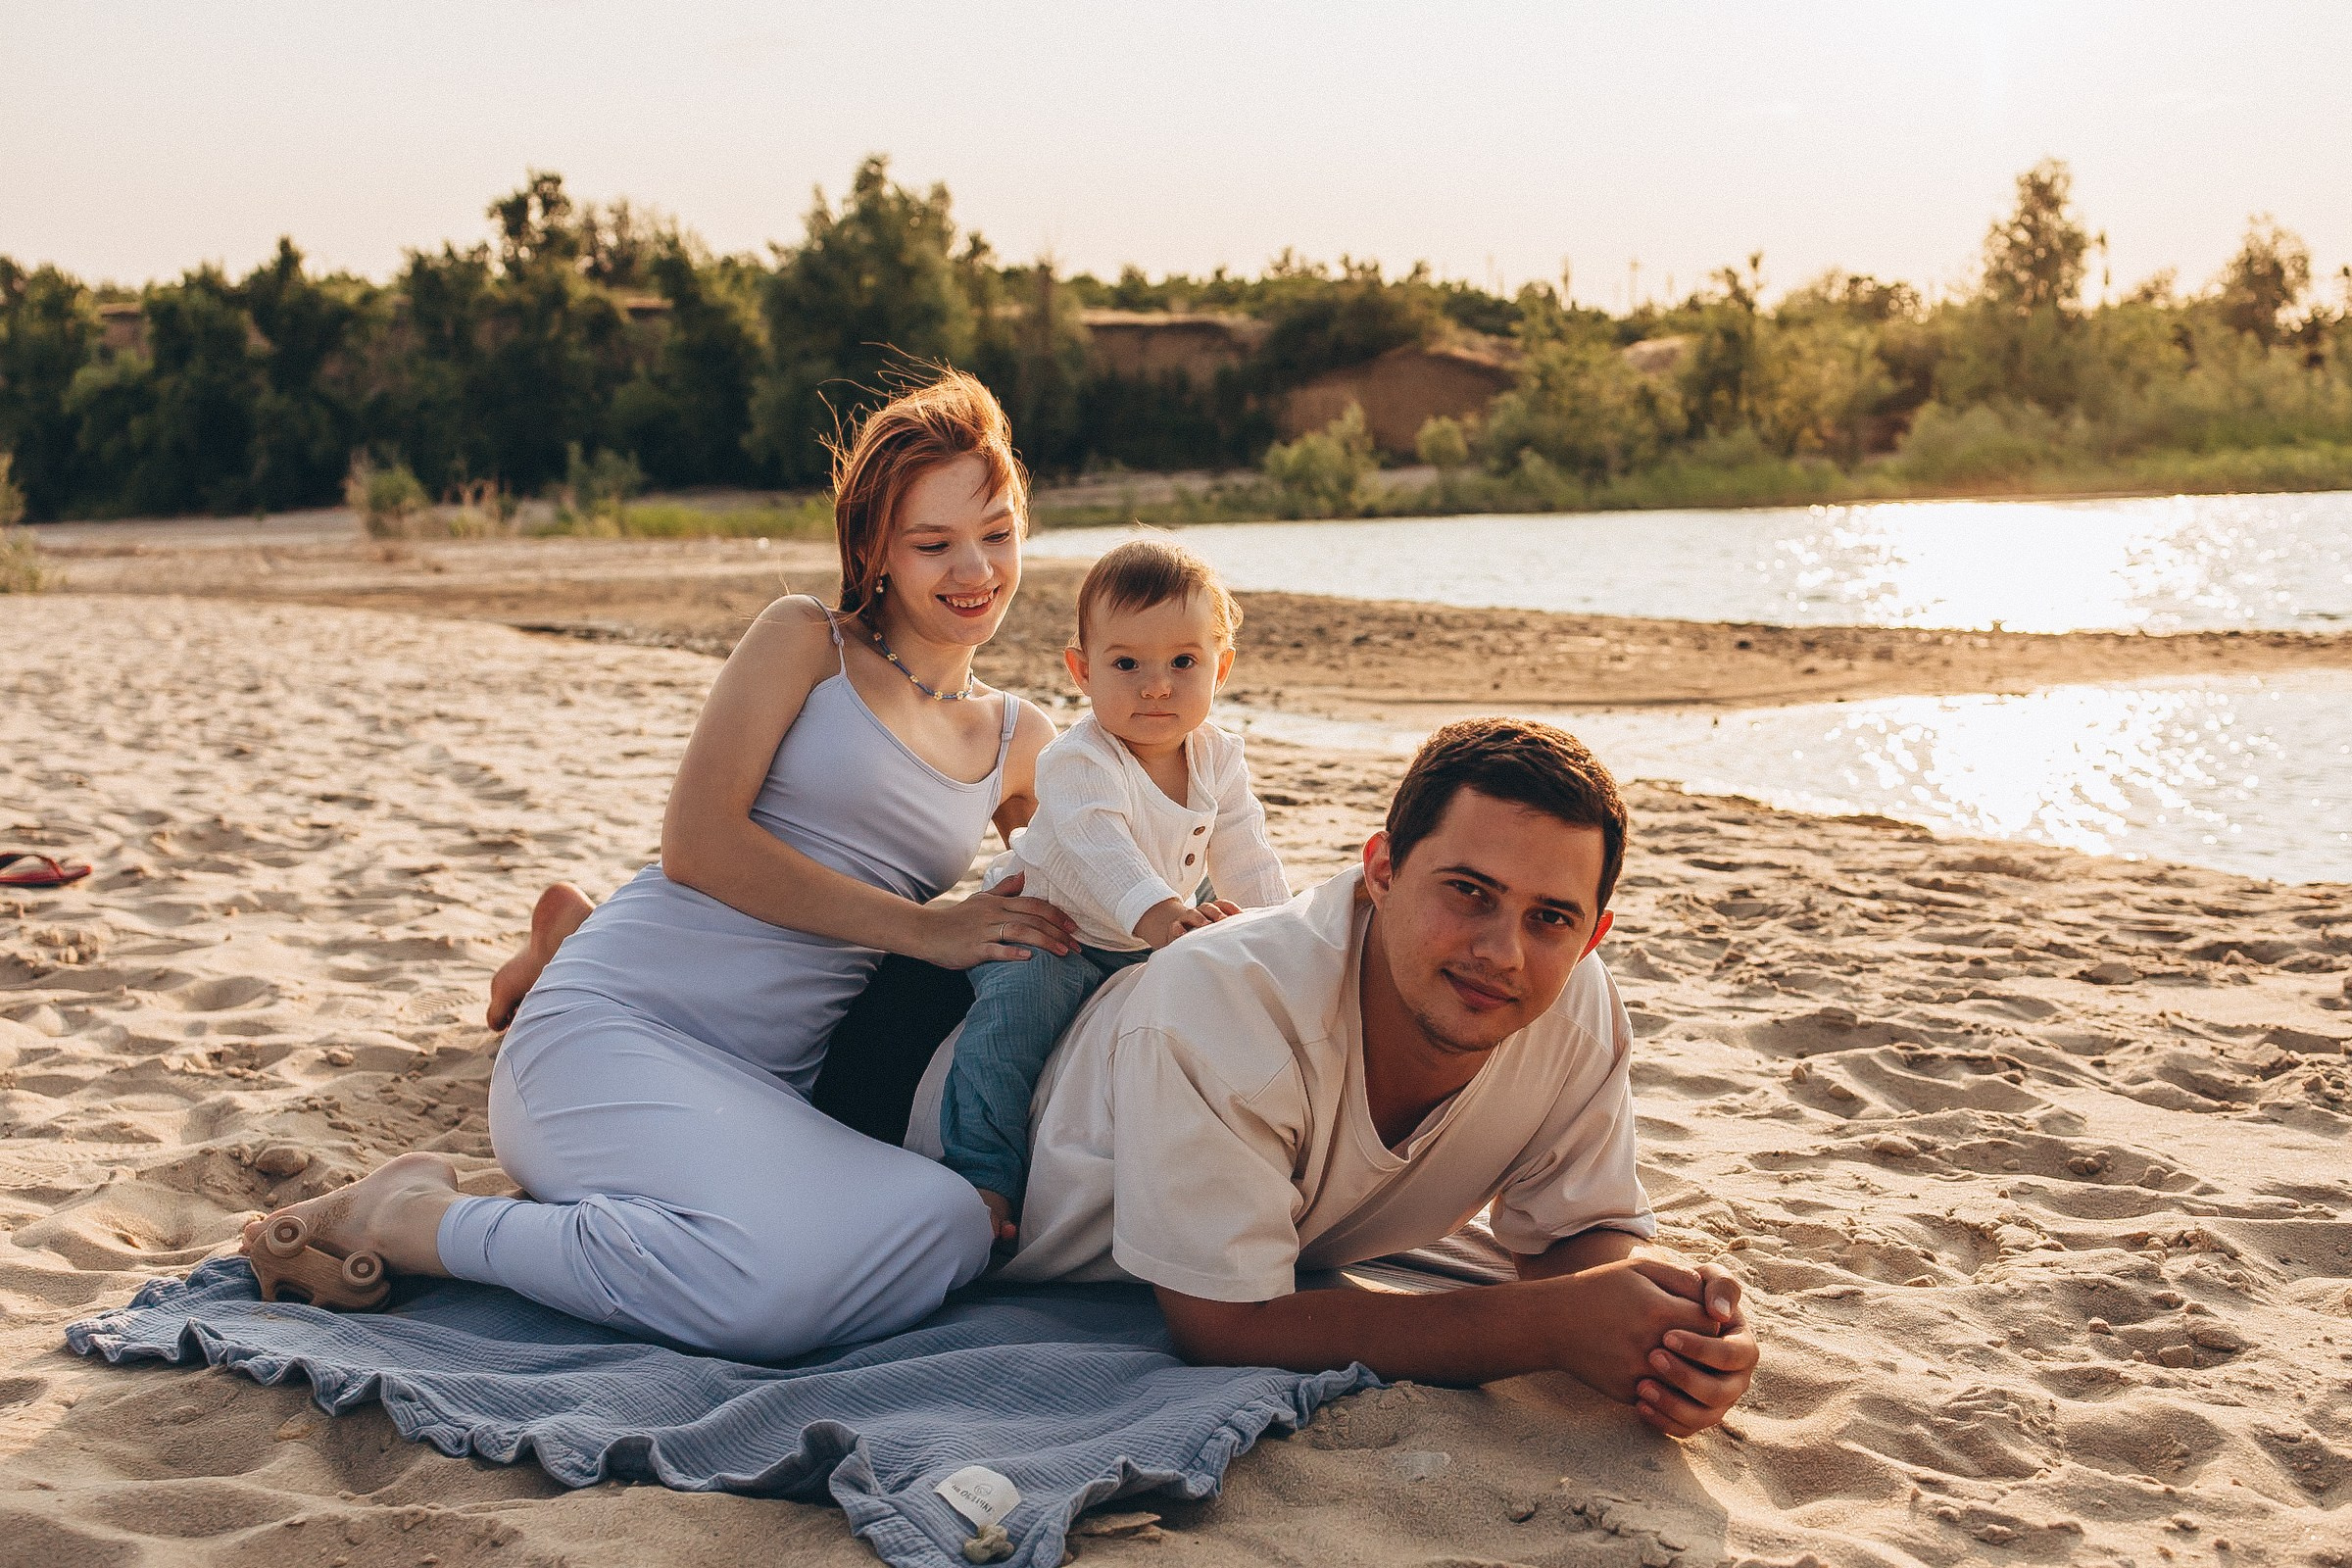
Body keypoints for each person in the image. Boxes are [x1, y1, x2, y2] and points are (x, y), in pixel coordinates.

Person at [244, 369, 1078, 1358]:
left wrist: (1189, 912)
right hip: (613, 1030)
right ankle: (418, 1222)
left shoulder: (1020, 738)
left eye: (996, 531)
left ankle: (561, 955)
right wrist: (925, 930)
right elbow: (698, 844)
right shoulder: (807, 641)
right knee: (767, 1296)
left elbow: (1100, 869)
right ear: (876, 551)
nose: (973, 566)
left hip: (759, 1092)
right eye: (933, 543)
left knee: (945, 1225)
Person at [957, 716, 1759, 1437]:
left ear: (1593, 934)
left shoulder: (1574, 1012)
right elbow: (1223, 1326)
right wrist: (1547, 1327)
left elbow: (1574, 1235)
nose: (1502, 953)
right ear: (1380, 869)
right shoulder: (1224, 1001)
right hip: (928, 1131)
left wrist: (1672, 1323)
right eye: (1469, 892)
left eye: (1551, 917)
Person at [940, 537, 1289, 1241]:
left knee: (1227, 949)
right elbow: (1106, 852)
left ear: (1219, 668)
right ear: (1082, 672)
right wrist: (1166, 917)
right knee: (1012, 1019)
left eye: (1182, 663)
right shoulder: (1076, 760)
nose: (1155, 686)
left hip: (1150, 927)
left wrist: (1275, 936)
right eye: (1126, 664)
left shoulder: (1217, 756)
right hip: (1053, 924)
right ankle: (981, 1180)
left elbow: (1246, 852)